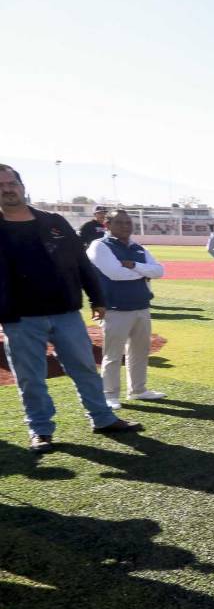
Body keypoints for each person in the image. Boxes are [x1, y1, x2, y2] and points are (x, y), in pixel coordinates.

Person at [0, 164, 141, 453]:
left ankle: (102, 418)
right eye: (0, 186)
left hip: (65, 312)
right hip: (19, 317)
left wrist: (97, 298)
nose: (7, 189)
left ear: (22, 186)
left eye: (11, 183)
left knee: (86, 369)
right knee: (30, 378)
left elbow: (80, 261)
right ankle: (40, 429)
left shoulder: (54, 222)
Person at [85, 210, 167, 408]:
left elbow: (159, 271)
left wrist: (133, 265)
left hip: (141, 307)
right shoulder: (100, 246)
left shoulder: (138, 248)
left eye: (128, 222)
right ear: (108, 225)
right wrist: (142, 272)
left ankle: (138, 390)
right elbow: (115, 274)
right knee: (113, 354)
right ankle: (109, 394)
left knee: (139, 351)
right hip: (115, 308)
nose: (125, 226)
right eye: (120, 222)